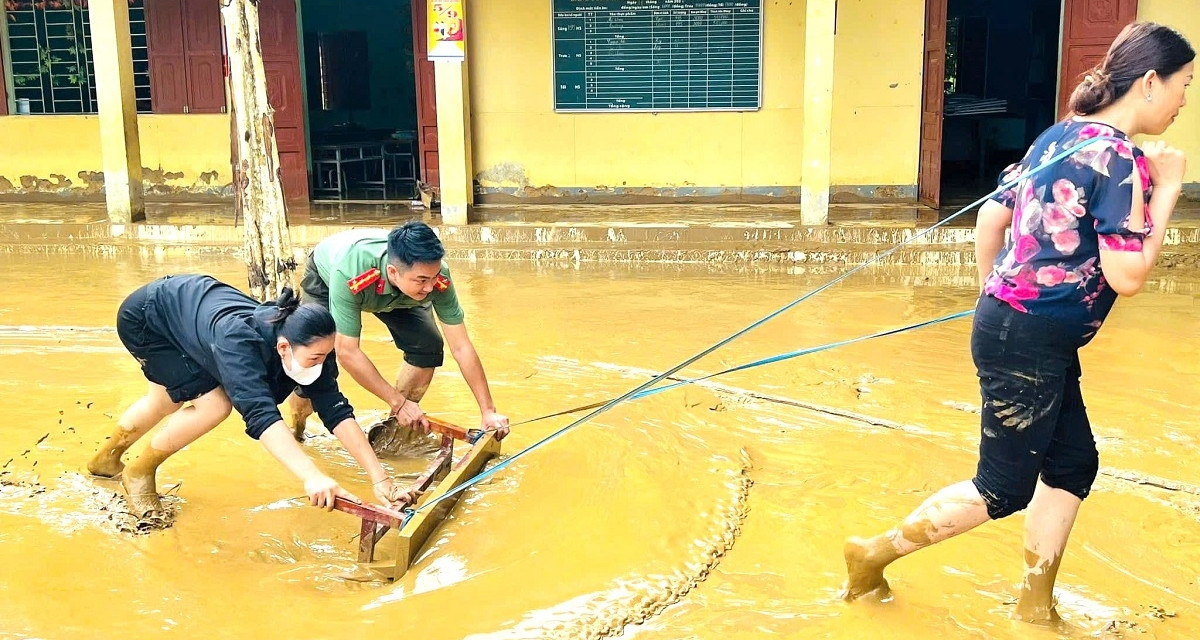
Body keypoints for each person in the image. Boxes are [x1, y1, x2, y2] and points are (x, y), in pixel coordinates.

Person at [843, 22, 1192, 623]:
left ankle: (1034, 605)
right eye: (1185, 84)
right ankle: (869, 556)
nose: (1186, 99)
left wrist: (998, 295)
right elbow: (1127, 276)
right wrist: (1168, 192)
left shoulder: (1058, 136)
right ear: (1151, 82)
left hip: (1023, 329)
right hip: (1030, 335)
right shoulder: (1120, 159)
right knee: (1002, 489)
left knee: (1073, 465)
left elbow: (988, 224)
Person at [88, 274, 413, 517]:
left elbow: (337, 411)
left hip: (187, 309)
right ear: (284, 346)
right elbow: (261, 417)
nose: (322, 364)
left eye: (327, 356)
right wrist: (313, 477)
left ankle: (105, 459)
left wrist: (380, 478)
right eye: (316, 358)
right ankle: (139, 472)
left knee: (165, 401)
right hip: (148, 317)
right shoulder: (238, 343)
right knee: (214, 405)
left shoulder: (312, 345)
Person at [287, 221, 509, 448]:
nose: (431, 287)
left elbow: (461, 347)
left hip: (400, 293)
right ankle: (297, 431)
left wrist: (488, 410)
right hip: (329, 279)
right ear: (393, 272)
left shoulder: (434, 278)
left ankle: (393, 433)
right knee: (316, 365)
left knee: (428, 346)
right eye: (422, 280)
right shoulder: (351, 272)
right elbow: (347, 352)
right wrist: (398, 401)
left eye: (433, 278)